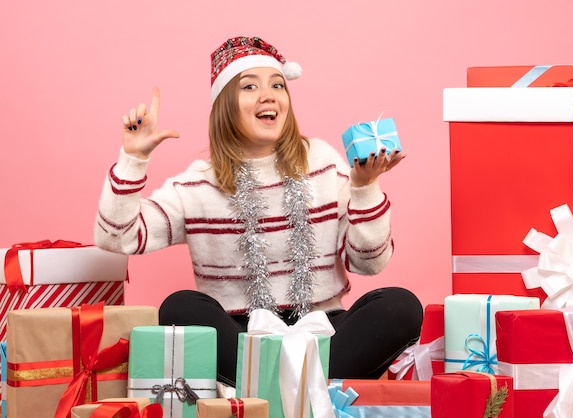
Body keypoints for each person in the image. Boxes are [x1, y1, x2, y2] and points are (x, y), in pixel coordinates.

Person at [95, 36, 423, 387]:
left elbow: (368, 263)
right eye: (249, 86)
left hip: (324, 331)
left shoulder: (323, 162)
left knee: (401, 307)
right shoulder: (196, 184)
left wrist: (364, 187)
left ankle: (270, 390)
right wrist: (133, 159)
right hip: (241, 338)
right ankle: (302, 390)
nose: (268, 95)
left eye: (277, 85)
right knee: (180, 307)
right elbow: (118, 237)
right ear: (224, 107)